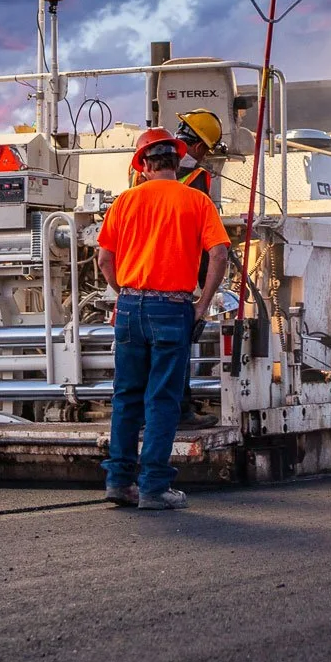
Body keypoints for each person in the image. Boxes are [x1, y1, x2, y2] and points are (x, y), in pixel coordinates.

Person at [97, 127, 230, 511]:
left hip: (129, 307)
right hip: (172, 308)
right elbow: (219, 254)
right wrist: (202, 305)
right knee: (163, 399)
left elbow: (105, 259)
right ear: (177, 161)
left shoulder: (124, 202)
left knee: (126, 398)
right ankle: (154, 486)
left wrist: (123, 292)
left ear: (143, 166)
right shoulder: (197, 201)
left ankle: (119, 482)